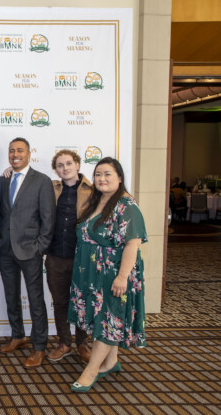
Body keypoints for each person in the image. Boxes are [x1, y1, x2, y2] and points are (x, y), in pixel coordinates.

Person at [68, 157, 147, 392]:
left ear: (120, 178)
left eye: (108, 174)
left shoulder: (127, 206)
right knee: (105, 318)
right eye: (98, 174)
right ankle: (111, 362)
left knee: (109, 319)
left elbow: (133, 245)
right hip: (93, 272)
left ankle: (91, 371)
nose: (101, 179)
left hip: (114, 273)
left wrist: (122, 277)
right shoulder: (98, 201)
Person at [0, 137, 55, 369]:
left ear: (29, 154)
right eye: (11, 150)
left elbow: (48, 219)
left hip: (31, 250)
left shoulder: (42, 181)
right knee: (11, 296)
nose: (15, 154)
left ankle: (39, 346)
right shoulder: (3, 180)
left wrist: (40, 247)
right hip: (5, 249)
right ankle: (18, 335)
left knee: (36, 300)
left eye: (20, 150)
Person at [45, 150, 93, 363]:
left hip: (82, 256)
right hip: (55, 255)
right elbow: (26, 184)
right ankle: (64, 343)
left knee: (82, 301)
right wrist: (9, 171)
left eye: (68, 163)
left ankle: (82, 343)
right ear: (56, 169)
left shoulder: (93, 191)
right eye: (60, 165)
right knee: (60, 302)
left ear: (78, 165)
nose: (65, 168)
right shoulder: (50, 188)